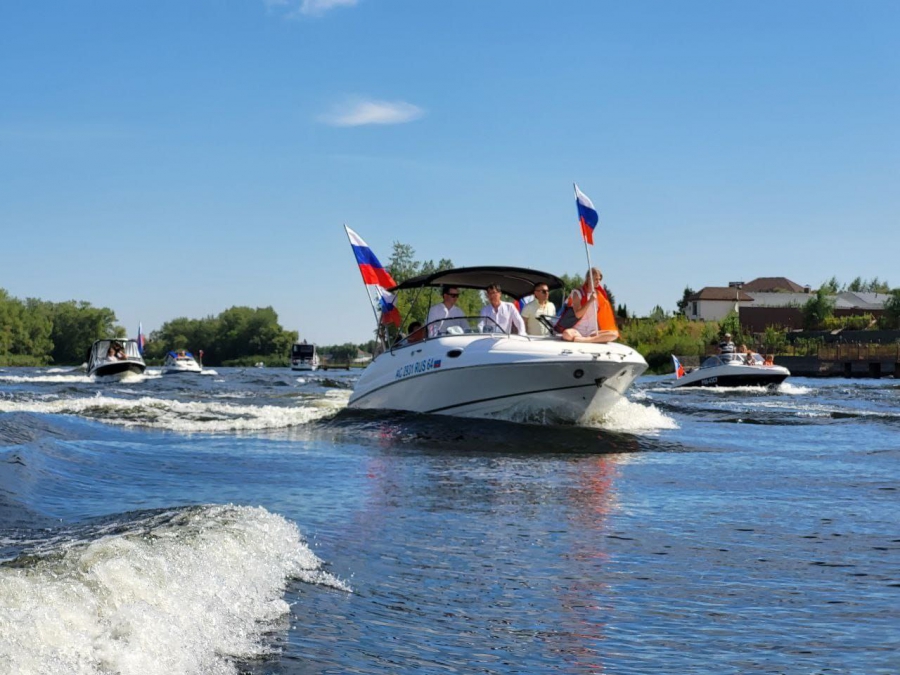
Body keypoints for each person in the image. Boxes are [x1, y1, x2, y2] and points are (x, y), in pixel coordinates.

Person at [563, 267, 619, 343]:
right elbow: (578, 315)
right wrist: (590, 301)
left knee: (614, 334)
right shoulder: (577, 292)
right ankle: (591, 340)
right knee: (566, 334)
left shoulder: (599, 295)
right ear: (589, 278)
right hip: (578, 331)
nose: (598, 281)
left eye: (599, 279)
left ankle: (587, 340)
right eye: (596, 279)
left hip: (592, 332)